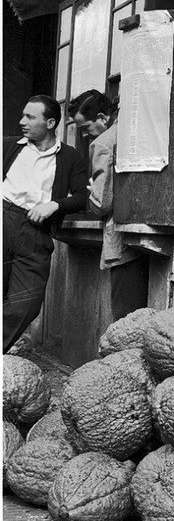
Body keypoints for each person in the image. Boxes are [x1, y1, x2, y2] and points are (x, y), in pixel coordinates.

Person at [3, 95, 88, 351]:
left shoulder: (70, 157)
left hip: (37, 232)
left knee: (27, 303)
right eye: (23, 115)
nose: (22, 122)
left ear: (50, 122)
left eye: (30, 117)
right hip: (3, 218)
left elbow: (83, 195)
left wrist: (55, 205)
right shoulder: (8, 146)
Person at [67, 89, 150, 322]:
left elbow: (102, 203)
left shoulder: (103, 143)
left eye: (85, 128)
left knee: (124, 320)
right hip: (144, 232)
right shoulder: (131, 132)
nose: (85, 136)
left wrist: (90, 189)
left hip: (121, 238)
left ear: (103, 118)